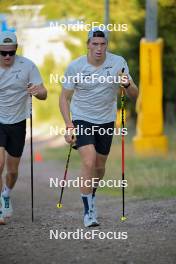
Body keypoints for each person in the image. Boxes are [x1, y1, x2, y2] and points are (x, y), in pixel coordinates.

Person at [59, 27, 138, 227]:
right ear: (88, 45)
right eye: (95, 44)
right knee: (89, 160)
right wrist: (69, 125)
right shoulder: (76, 66)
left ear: (107, 46)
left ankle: (91, 195)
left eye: (103, 44)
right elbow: (64, 98)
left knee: (100, 167)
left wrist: (127, 84)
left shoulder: (118, 63)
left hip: (105, 120)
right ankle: (88, 212)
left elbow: (135, 95)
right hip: (81, 119)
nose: (99, 48)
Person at [0, 31, 47, 225]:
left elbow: (44, 93)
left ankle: (7, 194)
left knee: (12, 170)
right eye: (3, 53)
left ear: (16, 49)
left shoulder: (28, 65)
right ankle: (1, 207)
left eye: (11, 52)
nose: (7, 57)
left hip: (19, 121)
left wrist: (37, 91)